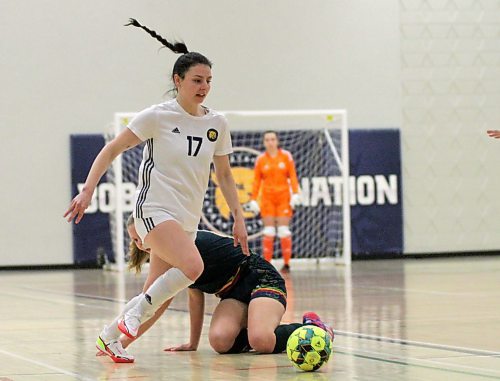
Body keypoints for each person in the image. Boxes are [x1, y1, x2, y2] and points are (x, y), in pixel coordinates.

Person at [64, 18, 248, 351]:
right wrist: (88, 189)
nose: (203, 86)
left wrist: (238, 215)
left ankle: (111, 339)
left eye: (208, 80)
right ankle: (128, 318)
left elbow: (223, 175)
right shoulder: (157, 116)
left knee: (157, 293)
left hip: (187, 219)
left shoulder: (216, 123)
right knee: (193, 267)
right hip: (154, 210)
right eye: (196, 80)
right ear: (178, 81)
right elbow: (112, 149)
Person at [96, 216, 334, 363]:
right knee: (221, 342)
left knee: (261, 341)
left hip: (259, 278)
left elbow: (151, 305)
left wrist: (122, 341)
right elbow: (193, 296)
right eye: (135, 240)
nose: (141, 244)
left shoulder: (179, 245)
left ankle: (312, 327)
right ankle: (257, 325)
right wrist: (192, 343)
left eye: (142, 237)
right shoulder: (165, 255)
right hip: (232, 293)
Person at [246, 131, 301, 272]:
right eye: (267, 139)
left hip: (283, 198)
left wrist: (295, 193)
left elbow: (293, 176)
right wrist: (253, 199)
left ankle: (287, 263)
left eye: (272, 139)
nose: (270, 142)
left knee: (283, 230)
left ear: (277, 141)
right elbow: (256, 181)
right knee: (269, 231)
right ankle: (268, 264)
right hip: (267, 198)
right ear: (264, 142)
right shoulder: (261, 160)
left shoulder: (286, 156)